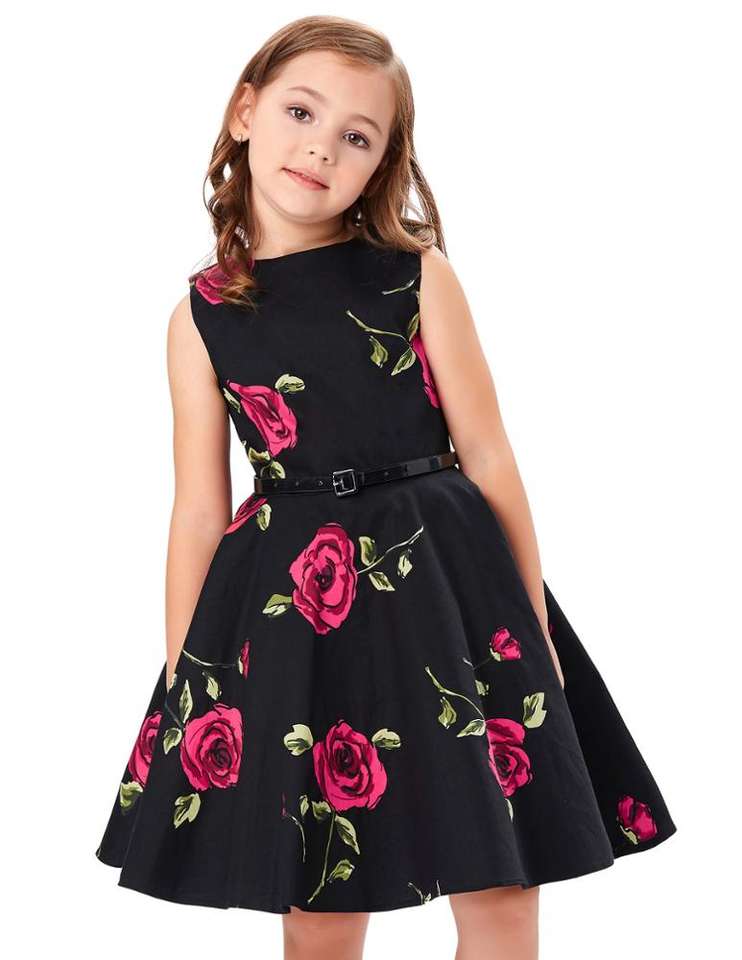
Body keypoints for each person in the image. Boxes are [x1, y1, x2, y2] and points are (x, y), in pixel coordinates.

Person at [94, 15, 677, 960]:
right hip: (298, 617)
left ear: (380, 167)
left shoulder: (416, 276)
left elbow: (488, 454)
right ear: (245, 113)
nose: (322, 146)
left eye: (356, 136)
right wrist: (182, 673)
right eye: (300, 112)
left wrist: (529, 621)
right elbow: (198, 507)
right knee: (321, 900)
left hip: (449, 590)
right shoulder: (200, 317)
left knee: (502, 888)